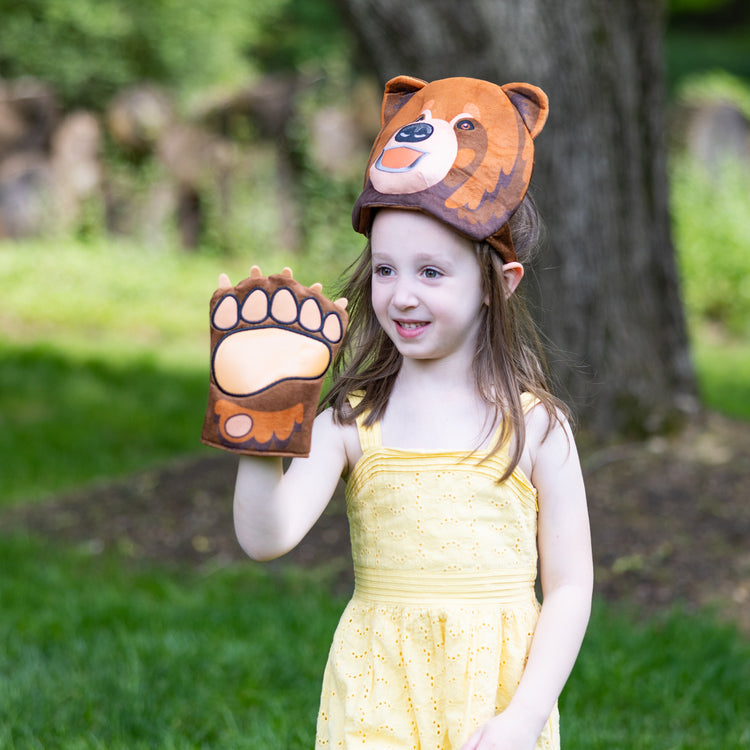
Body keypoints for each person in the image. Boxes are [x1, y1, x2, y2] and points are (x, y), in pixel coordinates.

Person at [203, 75, 593, 749]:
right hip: (377, 692)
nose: (401, 295)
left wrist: (525, 715)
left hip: (498, 702)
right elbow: (267, 538)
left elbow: (569, 586)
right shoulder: (353, 421)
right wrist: (264, 431)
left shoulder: (536, 428)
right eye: (386, 270)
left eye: (431, 273)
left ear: (497, 285)